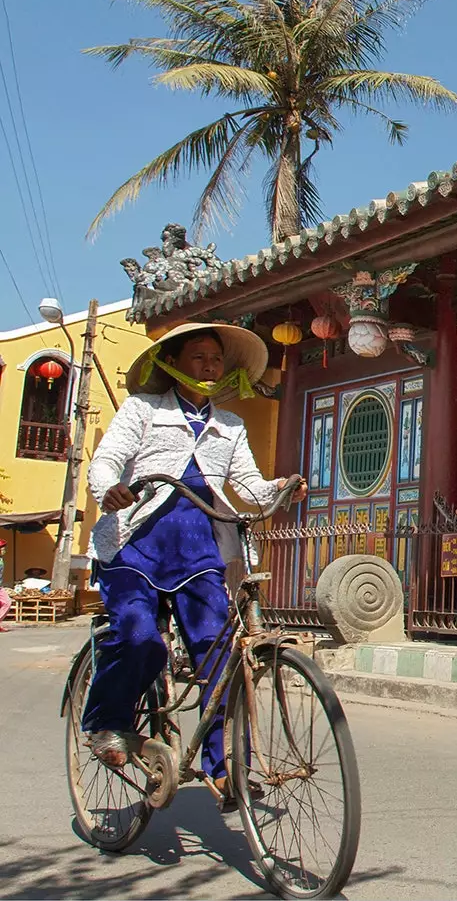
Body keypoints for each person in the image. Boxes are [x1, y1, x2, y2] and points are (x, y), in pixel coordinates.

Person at [80, 323, 305, 807]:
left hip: (199, 549)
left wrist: (280, 487)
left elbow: (248, 482)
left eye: (215, 359)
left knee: (218, 652)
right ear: (173, 364)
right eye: (199, 356)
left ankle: (222, 767)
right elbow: (106, 462)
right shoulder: (143, 410)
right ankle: (106, 721)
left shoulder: (231, 424)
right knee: (141, 639)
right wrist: (110, 490)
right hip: (135, 546)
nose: (209, 365)